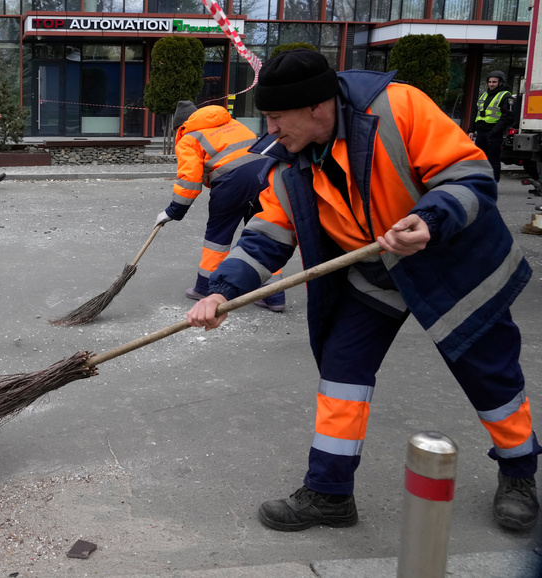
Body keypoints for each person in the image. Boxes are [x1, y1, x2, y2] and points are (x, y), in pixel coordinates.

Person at [186, 49, 540, 532]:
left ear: (316, 106)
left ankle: (520, 473)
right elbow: (271, 229)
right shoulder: (288, 161)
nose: (269, 130)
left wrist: (432, 218)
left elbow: (468, 175)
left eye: (275, 117)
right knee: (342, 369)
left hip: (450, 260)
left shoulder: (399, 108)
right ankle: (329, 492)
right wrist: (221, 289)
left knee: (489, 372)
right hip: (377, 270)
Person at [155, 101, 285, 312]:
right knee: (263, 232)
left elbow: (190, 180)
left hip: (232, 183)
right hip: (266, 174)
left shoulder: (189, 137)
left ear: (181, 126)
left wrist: (173, 212)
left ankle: (206, 288)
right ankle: (274, 295)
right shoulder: (232, 123)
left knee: (217, 237)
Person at [473, 70, 516, 181]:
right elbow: (477, 113)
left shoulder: (506, 96)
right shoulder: (484, 95)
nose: (491, 84)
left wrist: (493, 132)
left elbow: (508, 117)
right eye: (490, 82)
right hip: (481, 133)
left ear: (500, 82)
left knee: (493, 160)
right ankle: (481, 181)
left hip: (494, 133)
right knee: (480, 160)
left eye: (494, 82)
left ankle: (492, 183)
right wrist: (471, 129)